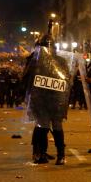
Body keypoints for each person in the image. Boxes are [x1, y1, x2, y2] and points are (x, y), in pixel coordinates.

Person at [21, 34, 69, 165]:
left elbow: (25, 79)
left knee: (43, 126)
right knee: (57, 127)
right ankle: (61, 156)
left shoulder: (35, 62)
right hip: (56, 100)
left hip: (42, 100)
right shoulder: (62, 61)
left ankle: (41, 154)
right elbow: (67, 81)